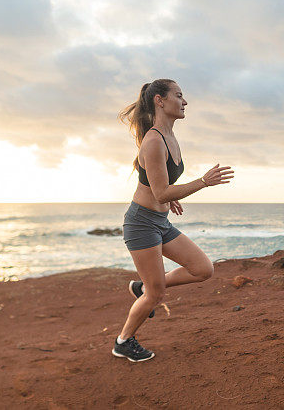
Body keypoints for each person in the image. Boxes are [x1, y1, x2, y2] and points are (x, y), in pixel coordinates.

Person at [114, 79, 234, 362]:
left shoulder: (169, 136)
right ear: (160, 100)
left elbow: (160, 185)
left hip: (160, 221)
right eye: (179, 95)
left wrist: (169, 197)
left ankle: (144, 287)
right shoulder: (154, 140)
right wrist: (203, 182)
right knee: (156, 296)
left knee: (203, 269)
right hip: (141, 224)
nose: (185, 101)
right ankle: (123, 341)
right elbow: (160, 190)